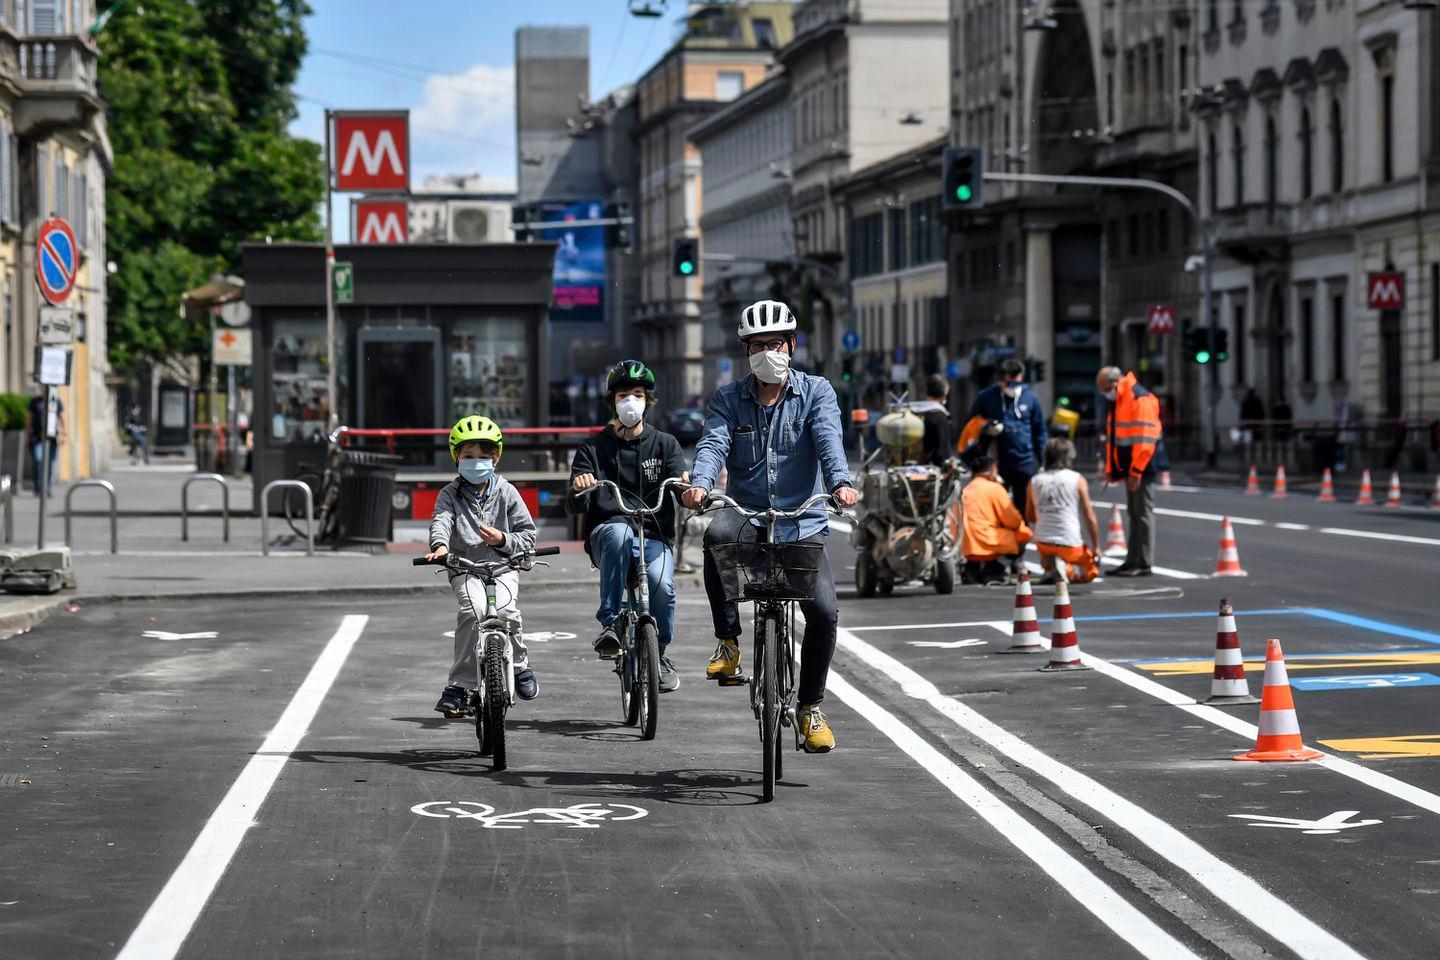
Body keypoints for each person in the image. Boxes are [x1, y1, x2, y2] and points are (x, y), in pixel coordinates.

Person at [681, 299, 861, 754]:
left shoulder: (817, 392)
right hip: (746, 515)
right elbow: (712, 444)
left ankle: (810, 707)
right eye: (758, 345)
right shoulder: (727, 398)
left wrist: (840, 483)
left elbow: (828, 441)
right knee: (715, 537)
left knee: (822, 611)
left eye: (775, 343)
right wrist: (700, 485)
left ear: (792, 345)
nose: (768, 352)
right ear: (746, 351)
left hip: (803, 521)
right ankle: (728, 642)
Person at [570, 359, 689, 693]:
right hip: (609, 532)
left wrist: (690, 491)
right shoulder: (593, 447)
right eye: (624, 395)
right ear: (613, 401)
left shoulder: (665, 444)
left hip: (654, 534)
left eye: (637, 394)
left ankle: (660, 651)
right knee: (619, 532)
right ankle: (609, 623)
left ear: (647, 400)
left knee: (662, 586)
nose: (630, 402)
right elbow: (572, 502)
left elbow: (681, 486)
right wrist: (580, 487)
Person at [425, 416, 540, 717]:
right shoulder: (449, 494)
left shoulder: (507, 491)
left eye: (483, 457)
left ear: (496, 458)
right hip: (465, 568)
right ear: (457, 459)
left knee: (506, 611)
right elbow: (441, 521)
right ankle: (460, 686)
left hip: (503, 567)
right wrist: (440, 547)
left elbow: (527, 534)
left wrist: (503, 539)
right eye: (468, 457)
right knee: (471, 612)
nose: (476, 463)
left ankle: (520, 666)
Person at [1096, 365, 1168, 577]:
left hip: (1141, 466)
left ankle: (1143, 562)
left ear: (1115, 383)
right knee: (1134, 513)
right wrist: (1113, 469)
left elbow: (1145, 440)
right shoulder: (1121, 399)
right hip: (1131, 466)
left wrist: (1136, 471)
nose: (1104, 394)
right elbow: (1114, 439)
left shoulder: (1139, 398)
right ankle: (1133, 560)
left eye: (1105, 389)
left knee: (1142, 513)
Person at [965, 358, 1047, 511]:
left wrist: (1043, 462)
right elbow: (970, 424)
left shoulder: (1030, 397)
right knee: (995, 508)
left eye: (1015, 382)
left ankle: (1021, 534)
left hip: (1024, 461)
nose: (1012, 387)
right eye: (1008, 383)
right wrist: (985, 427)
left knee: (1023, 508)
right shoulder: (986, 396)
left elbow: (1040, 430)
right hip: (996, 462)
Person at [1026, 438, 1101, 584]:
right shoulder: (1077, 479)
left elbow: (1029, 514)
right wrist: (1097, 547)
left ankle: (1051, 565)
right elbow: (1089, 516)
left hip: (1043, 542)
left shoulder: (1034, 481)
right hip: (1069, 541)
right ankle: (1067, 569)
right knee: (1090, 572)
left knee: (1051, 556)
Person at [960, 456, 1033, 585]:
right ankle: (994, 569)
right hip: (986, 542)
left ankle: (975, 567)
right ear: (992, 470)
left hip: (966, 547)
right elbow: (1013, 520)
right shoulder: (994, 488)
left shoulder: (965, 489)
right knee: (1023, 535)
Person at [25, 391, 65, 497]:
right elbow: (29, 419)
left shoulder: (56, 400)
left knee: (50, 464)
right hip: (37, 437)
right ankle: (38, 488)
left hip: (52, 438)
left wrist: (64, 434)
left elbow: (62, 418)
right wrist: (27, 435)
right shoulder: (35, 401)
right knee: (38, 461)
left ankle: (48, 488)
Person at [910, 374, 954, 467]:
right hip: (931, 471)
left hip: (909, 467)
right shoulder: (940, 416)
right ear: (945, 394)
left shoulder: (913, 413)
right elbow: (942, 451)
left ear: (926, 391)